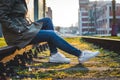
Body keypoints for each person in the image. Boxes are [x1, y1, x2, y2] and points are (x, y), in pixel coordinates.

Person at [0, 0, 100, 63]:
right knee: (51, 35)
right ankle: (81, 54)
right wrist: (17, 29)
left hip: (24, 28)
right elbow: (2, 15)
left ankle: (54, 54)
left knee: (47, 21)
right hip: (17, 34)